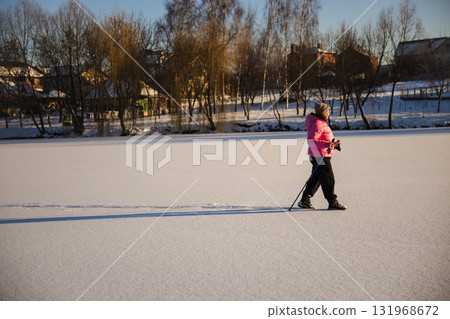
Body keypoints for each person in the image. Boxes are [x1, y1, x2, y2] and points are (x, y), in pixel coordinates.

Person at [298, 102, 347, 210]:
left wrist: (333, 145)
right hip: (319, 155)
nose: (328, 113)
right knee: (328, 178)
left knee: (317, 178)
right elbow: (311, 141)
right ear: (323, 112)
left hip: (319, 154)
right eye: (327, 111)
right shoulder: (317, 123)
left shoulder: (319, 122)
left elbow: (323, 140)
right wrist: (327, 144)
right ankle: (332, 202)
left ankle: (305, 200)